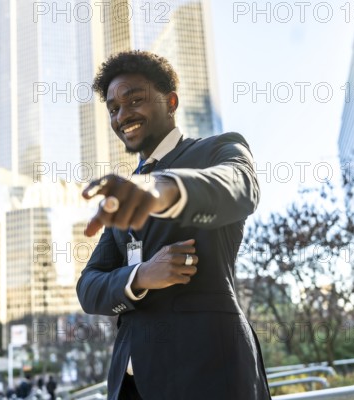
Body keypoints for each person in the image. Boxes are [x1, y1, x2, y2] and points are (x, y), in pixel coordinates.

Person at [76, 50, 271, 399]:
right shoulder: (125, 193)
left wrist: (161, 189)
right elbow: (89, 287)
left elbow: (240, 187)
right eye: (113, 109)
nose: (122, 115)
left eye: (134, 100)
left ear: (170, 101)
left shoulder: (218, 150)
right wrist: (140, 276)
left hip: (208, 373)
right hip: (132, 384)